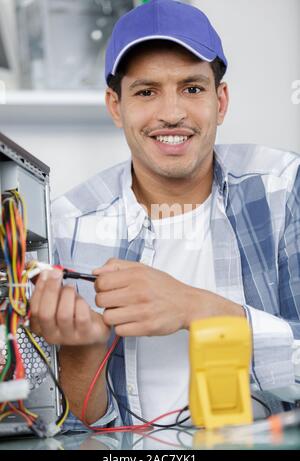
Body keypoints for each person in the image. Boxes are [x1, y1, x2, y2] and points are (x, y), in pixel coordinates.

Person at [30, 0, 300, 432]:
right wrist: (83, 354)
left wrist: (197, 307)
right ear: (115, 106)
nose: (171, 113)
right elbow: (75, 430)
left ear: (221, 100)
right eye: (146, 91)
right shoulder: (65, 226)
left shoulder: (283, 190)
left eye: (191, 88)